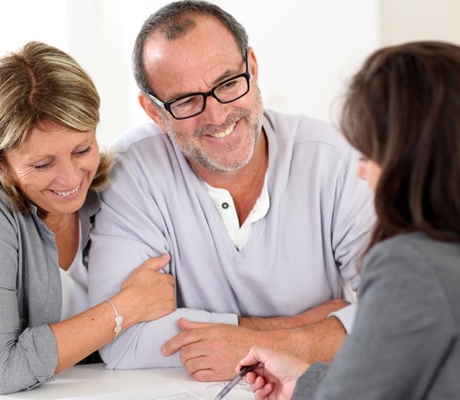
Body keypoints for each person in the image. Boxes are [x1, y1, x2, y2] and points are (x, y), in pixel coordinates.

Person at [87, 0, 376, 380]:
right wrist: (307, 327)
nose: (218, 116)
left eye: (227, 84)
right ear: (155, 112)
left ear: (252, 68)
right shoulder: (131, 170)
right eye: (186, 101)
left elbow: (395, 312)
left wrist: (256, 344)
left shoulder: (335, 160)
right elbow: (121, 340)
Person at [0, 41, 177, 395]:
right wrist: (126, 307)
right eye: (43, 164)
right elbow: (0, 370)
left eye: (82, 149)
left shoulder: (105, 194)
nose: (71, 179)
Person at [237, 40, 460, 400]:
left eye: (370, 154)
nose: (360, 171)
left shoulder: (412, 265)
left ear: (411, 158)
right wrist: (308, 381)